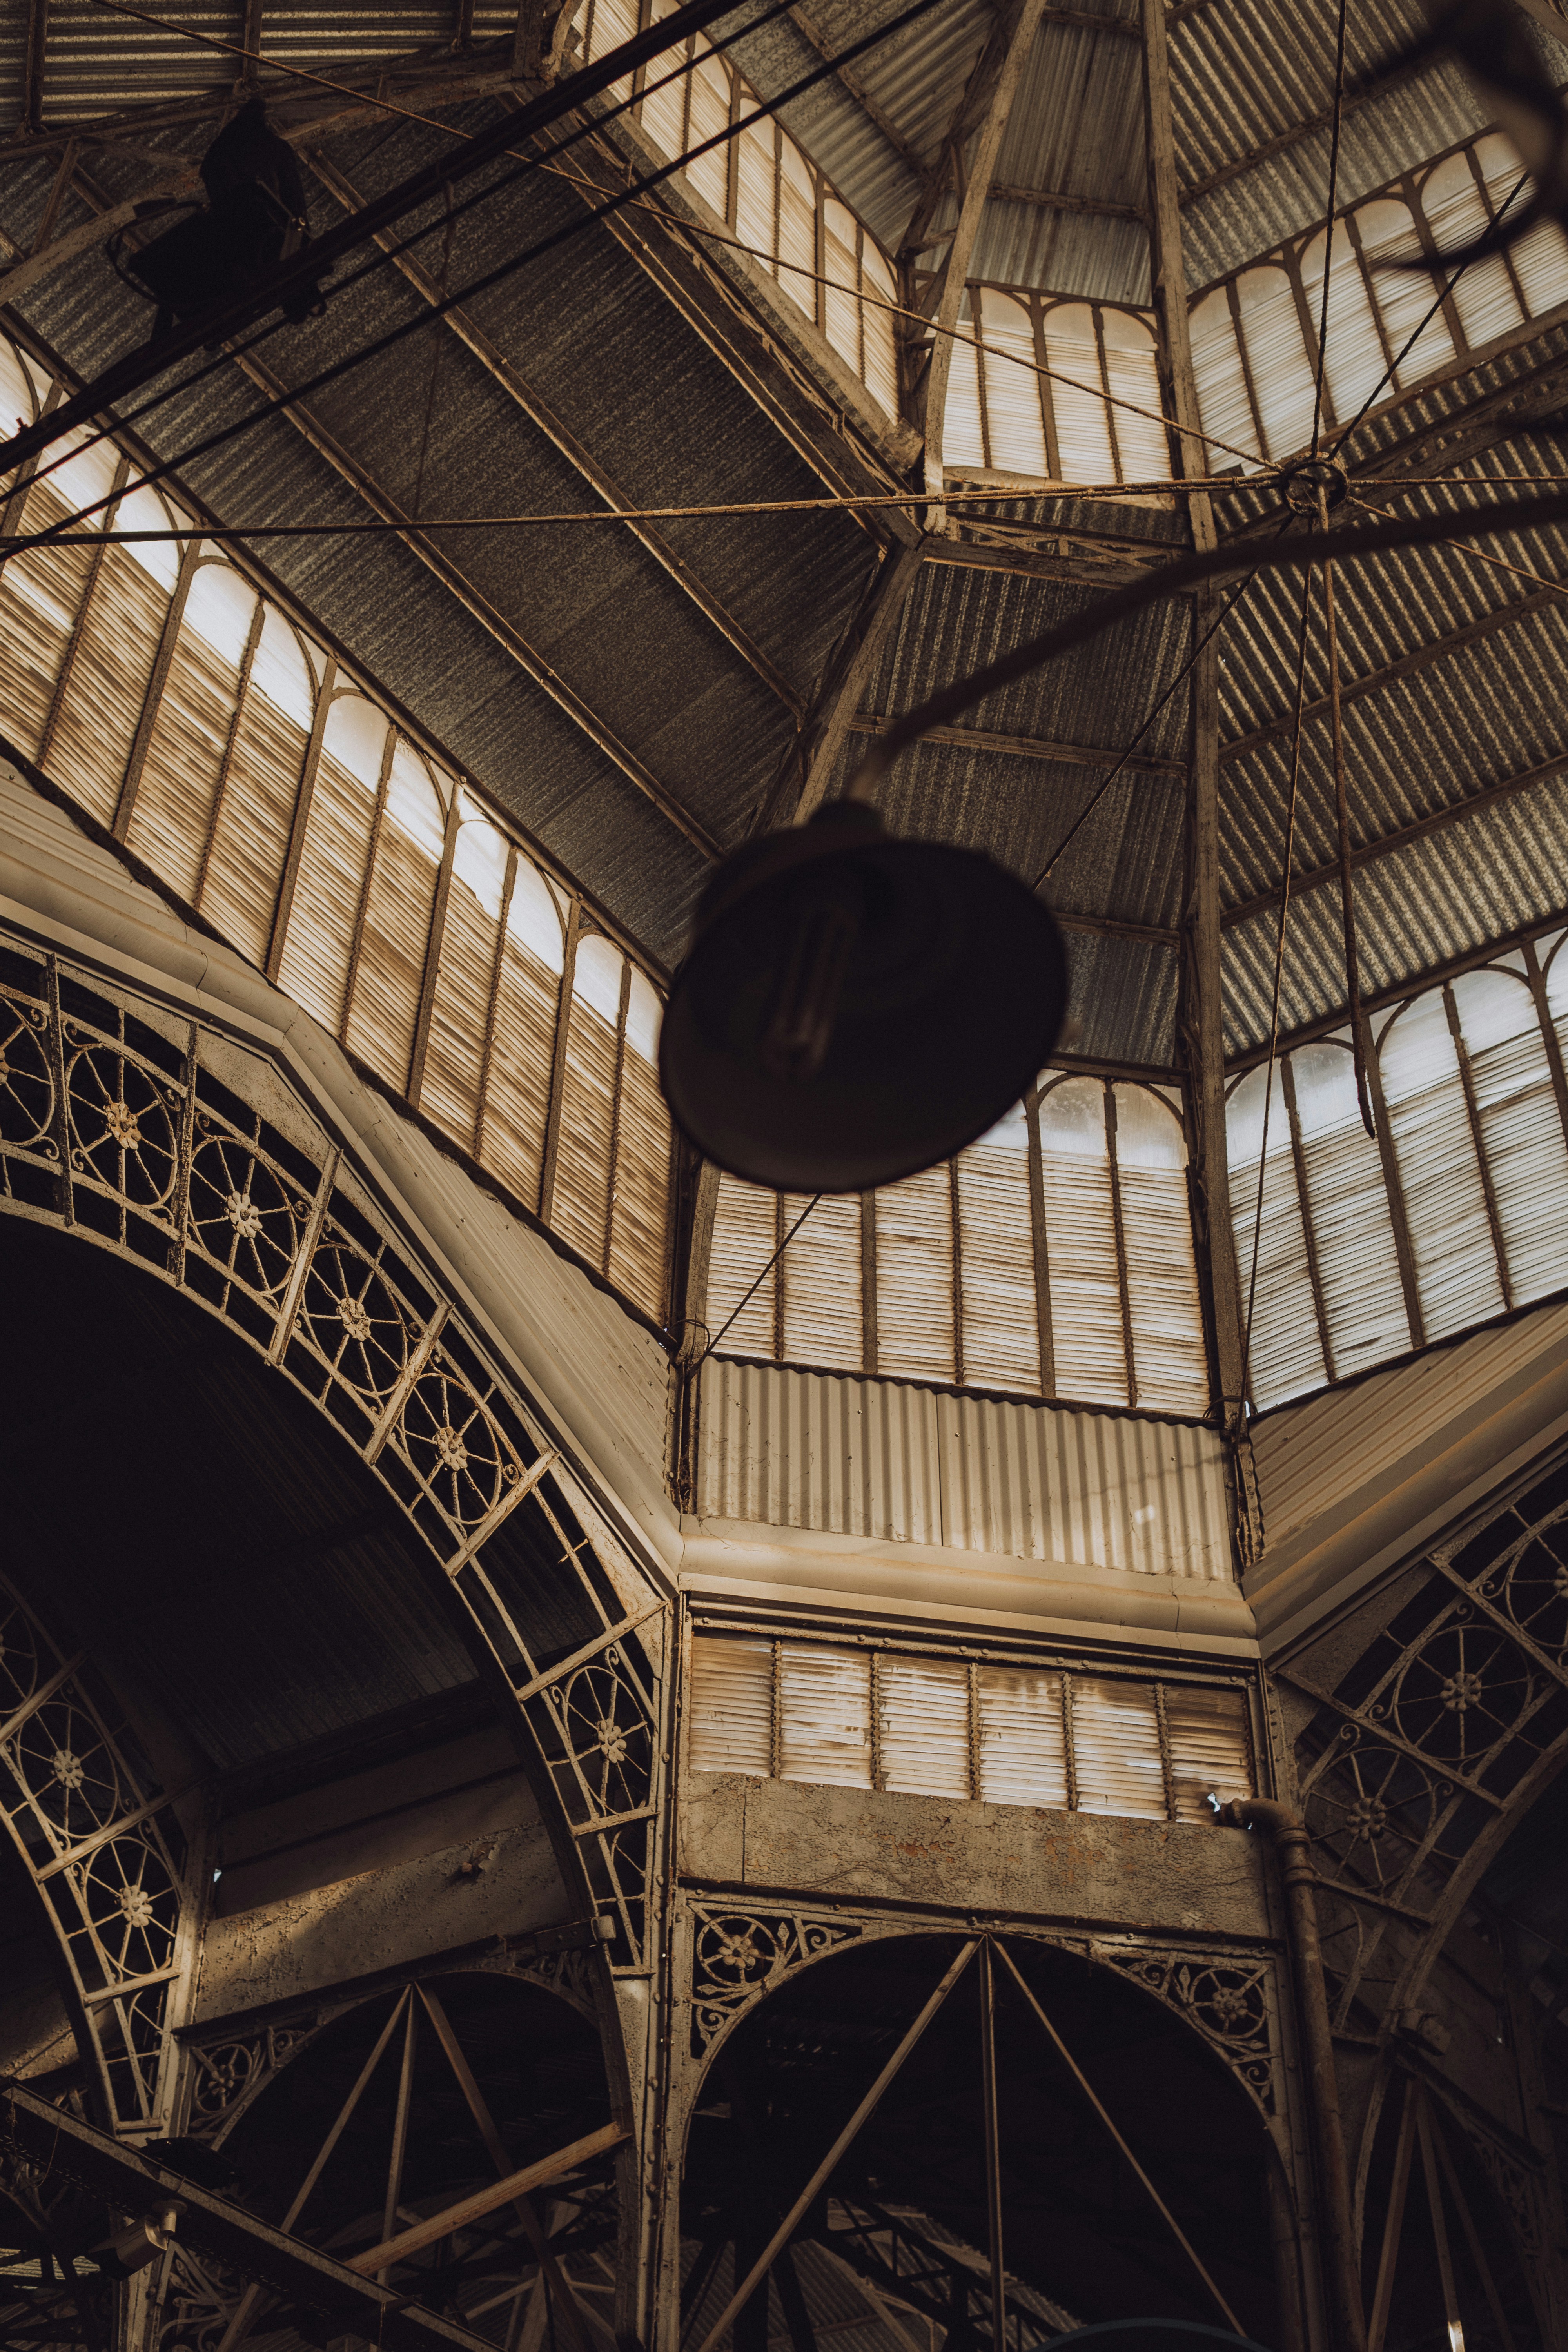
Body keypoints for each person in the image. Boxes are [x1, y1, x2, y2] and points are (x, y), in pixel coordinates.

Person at [121, 98, 326, 339]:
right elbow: (290, 199)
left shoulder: (229, 160)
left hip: (253, 225)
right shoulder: (265, 156)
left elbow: (285, 200)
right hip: (257, 224)